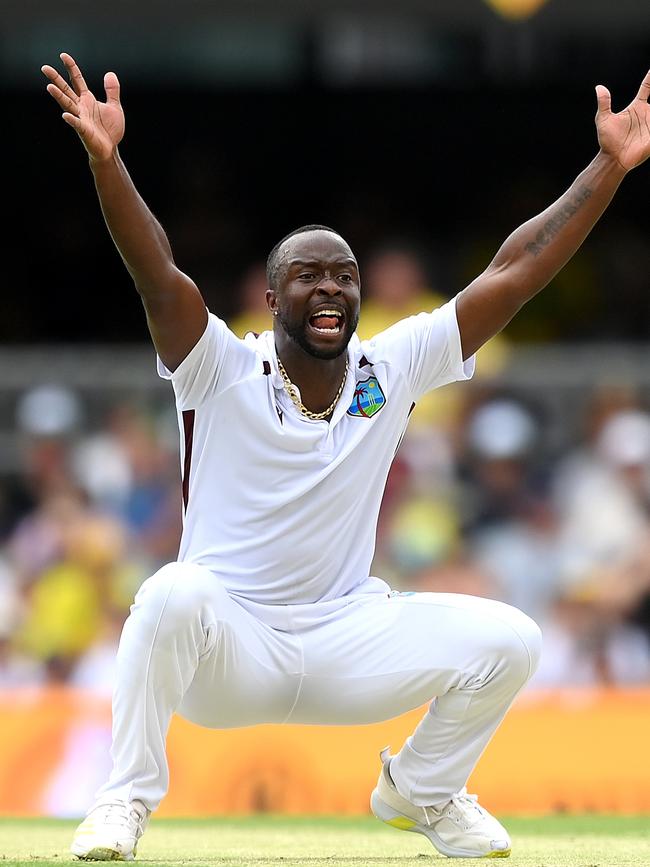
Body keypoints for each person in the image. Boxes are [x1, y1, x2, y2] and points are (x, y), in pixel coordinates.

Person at [42, 52, 650, 861]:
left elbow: (516, 271)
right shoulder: (221, 366)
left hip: (347, 639)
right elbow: (158, 274)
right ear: (271, 296)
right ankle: (123, 800)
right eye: (307, 276)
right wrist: (108, 162)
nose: (328, 288)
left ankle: (421, 788)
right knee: (169, 593)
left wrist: (606, 169)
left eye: (344, 276)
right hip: (233, 648)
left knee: (511, 637)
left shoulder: (389, 368)